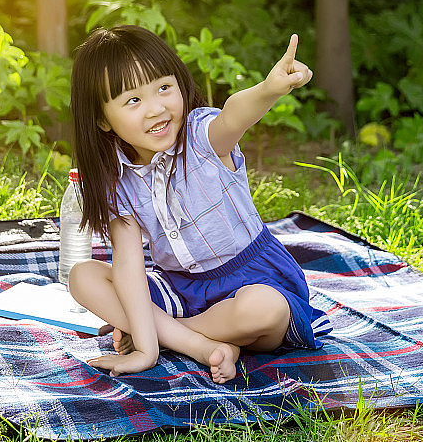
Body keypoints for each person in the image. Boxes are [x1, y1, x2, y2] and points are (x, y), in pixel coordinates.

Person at [68, 25, 331, 383]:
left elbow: (235, 113)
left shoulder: (202, 136)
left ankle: (175, 334)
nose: (156, 109)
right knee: (83, 276)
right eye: (133, 100)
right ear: (101, 118)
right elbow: (128, 263)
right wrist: (145, 352)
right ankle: (202, 346)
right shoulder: (116, 177)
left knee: (262, 310)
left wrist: (269, 90)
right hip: (180, 288)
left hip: (253, 281)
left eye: (164, 87)